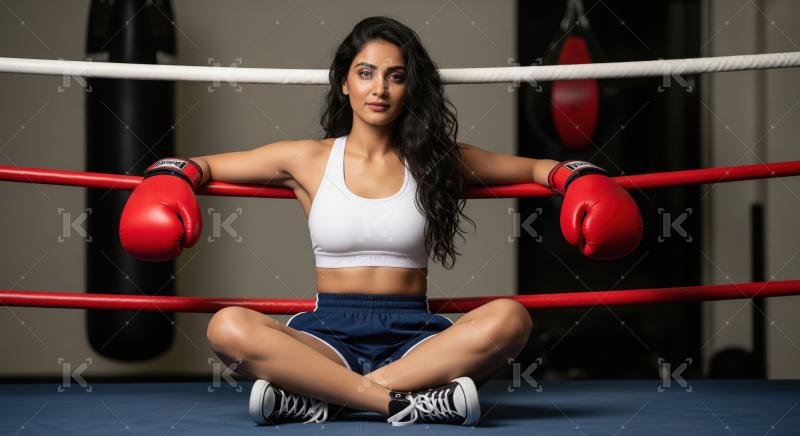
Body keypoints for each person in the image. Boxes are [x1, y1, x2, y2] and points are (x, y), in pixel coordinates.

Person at [118, 16, 642, 427]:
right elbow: (200, 164)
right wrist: (170, 179)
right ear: (344, 82)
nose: (380, 89)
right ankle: (404, 403)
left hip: (416, 335)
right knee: (227, 326)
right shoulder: (307, 159)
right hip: (326, 334)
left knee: (511, 319)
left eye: (395, 76)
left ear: (410, 87)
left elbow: (538, 168)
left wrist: (580, 179)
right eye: (366, 73)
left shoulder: (439, 160)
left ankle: (324, 398)